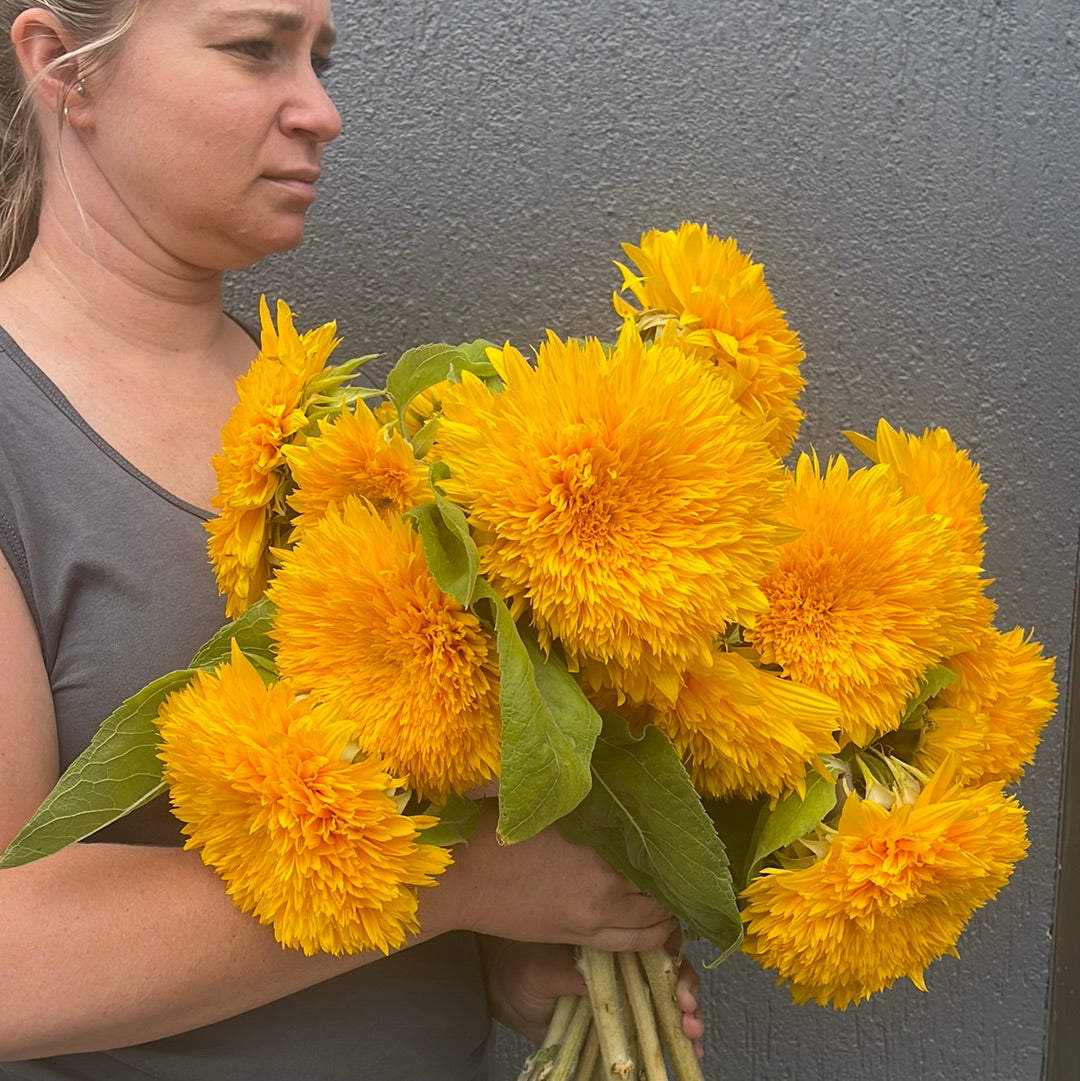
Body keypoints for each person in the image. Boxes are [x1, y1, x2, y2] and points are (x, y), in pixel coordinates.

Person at [0, 2, 704, 1078]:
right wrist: (461, 882)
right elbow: (16, 968)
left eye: (321, 61)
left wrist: (517, 964)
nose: (322, 112)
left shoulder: (355, 436)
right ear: (65, 70)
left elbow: (385, 869)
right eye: (255, 49)